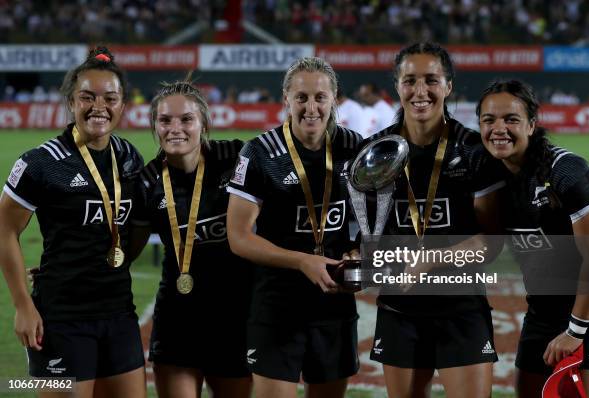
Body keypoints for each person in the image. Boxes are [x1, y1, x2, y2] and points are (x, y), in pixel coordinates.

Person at [0, 47, 146, 397]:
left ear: (123, 105)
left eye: (110, 98)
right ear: (71, 102)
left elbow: (138, 225)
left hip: (118, 313)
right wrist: (23, 305)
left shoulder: (129, 157)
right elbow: (4, 230)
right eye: (87, 97)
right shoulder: (41, 163)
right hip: (60, 317)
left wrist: (118, 256)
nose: (99, 107)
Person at [365, 42, 504, 398]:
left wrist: (432, 259)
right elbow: (367, 234)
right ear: (397, 85)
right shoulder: (375, 152)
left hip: (461, 307)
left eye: (431, 79)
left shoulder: (474, 150)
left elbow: (492, 241)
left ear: (448, 86)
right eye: (410, 80)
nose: (420, 91)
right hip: (399, 306)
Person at [226, 56, 362, 398]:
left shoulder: (354, 147)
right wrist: (302, 261)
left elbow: (371, 219)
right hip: (277, 305)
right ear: (286, 99)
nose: (311, 107)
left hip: (335, 305)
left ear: (334, 99)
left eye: (320, 97)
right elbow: (239, 237)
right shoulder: (258, 153)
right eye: (301, 97)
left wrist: (360, 251)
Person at [477, 79, 589, 398]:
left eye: (511, 119)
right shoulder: (489, 175)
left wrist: (575, 332)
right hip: (541, 311)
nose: (499, 128)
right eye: (489, 120)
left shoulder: (567, 172)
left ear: (532, 124)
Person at [138, 80, 252, 398]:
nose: (176, 128)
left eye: (186, 119)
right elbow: (120, 246)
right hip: (178, 321)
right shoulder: (146, 183)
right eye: (165, 120)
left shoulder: (236, 158)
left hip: (234, 319)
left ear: (203, 123)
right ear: (154, 126)